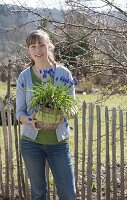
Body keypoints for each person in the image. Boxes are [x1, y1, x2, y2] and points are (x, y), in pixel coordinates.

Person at [16, 29, 76, 200]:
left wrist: (64, 111)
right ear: (29, 50)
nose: (38, 50)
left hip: (58, 143)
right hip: (31, 144)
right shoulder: (24, 77)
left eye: (42, 45)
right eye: (33, 46)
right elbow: (19, 111)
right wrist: (28, 120)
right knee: (38, 193)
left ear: (49, 46)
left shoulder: (64, 74)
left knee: (68, 194)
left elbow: (73, 106)